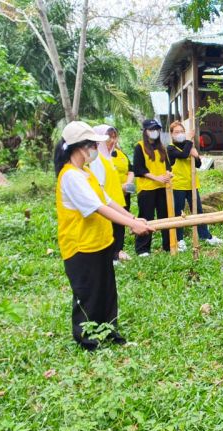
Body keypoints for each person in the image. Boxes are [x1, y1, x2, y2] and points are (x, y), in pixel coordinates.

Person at [54, 121, 153, 350]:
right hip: (80, 246)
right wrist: (132, 225)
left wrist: (133, 219)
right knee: (88, 294)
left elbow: (106, 200)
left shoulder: (85, 172)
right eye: (91, 145)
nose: (94, 150)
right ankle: (88, 341)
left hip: (100, 242)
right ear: (80, 147)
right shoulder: (70, 176)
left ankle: (109, 333)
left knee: (106, 293)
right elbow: (97, 208)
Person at [167, 121, 223, 249]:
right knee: (178, 212)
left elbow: (198, 164)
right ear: (171, 134)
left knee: (198, 211)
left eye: (182, 131)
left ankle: (205, 235)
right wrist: (190, 140)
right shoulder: (171, 148)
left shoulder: (189, 147)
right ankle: (179, 239)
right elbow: (183, 154)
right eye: (177, 132)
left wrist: (196, 156)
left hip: (192, 184)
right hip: (178, 185)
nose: (180, 134)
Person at [91, 125, 133, 263]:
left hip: (117, 200)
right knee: (111, 232)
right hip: (107, 203)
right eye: (109, 137)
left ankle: (116, 256)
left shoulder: (109, 157)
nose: (112, 141)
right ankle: (112, 258)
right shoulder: (97, 160)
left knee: (119, 232)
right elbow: (99, 186)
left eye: (114, 137)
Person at [133, 119, 174, 256]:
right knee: (146, 218)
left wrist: (169, 174)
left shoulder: (162, 147)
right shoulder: (139, 147)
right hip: (146, 189)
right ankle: (143, 249)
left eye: (156, 129)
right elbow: (139, 169)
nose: (154, 132)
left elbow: (168, 166)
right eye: (151, 129)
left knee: (165, 216)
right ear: (145, 132)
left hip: (162, 188)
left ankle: (168, 245)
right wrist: (156, 178)